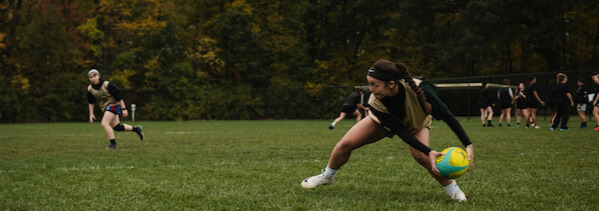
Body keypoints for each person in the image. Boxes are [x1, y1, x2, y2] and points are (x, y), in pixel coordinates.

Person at [301, 59, 474, 202]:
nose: (371, 90)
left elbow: (447, 116)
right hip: (388, 124)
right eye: (369, 84)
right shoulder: (375, 102)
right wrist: (429, 150)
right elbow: (401, 132)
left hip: (416, 123)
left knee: (421, 156)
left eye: (374, 85)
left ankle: (454, 191)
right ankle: (327, 177)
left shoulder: (419, 88)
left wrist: (467, 144)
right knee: (345, 144)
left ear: (391, 84)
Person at [87, 69, 144, 149]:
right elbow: (91, 102)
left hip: (114, 105)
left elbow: (119, 96)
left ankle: (113, 144)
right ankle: (136, 129)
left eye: (95, 76)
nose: (93, 78)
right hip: (105, 107)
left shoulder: (107, 85)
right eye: (91, 77)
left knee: (104, 123)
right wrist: (91, 114)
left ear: (98, 76)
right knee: (117, 127)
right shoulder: (90, 89)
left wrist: (124, 109)